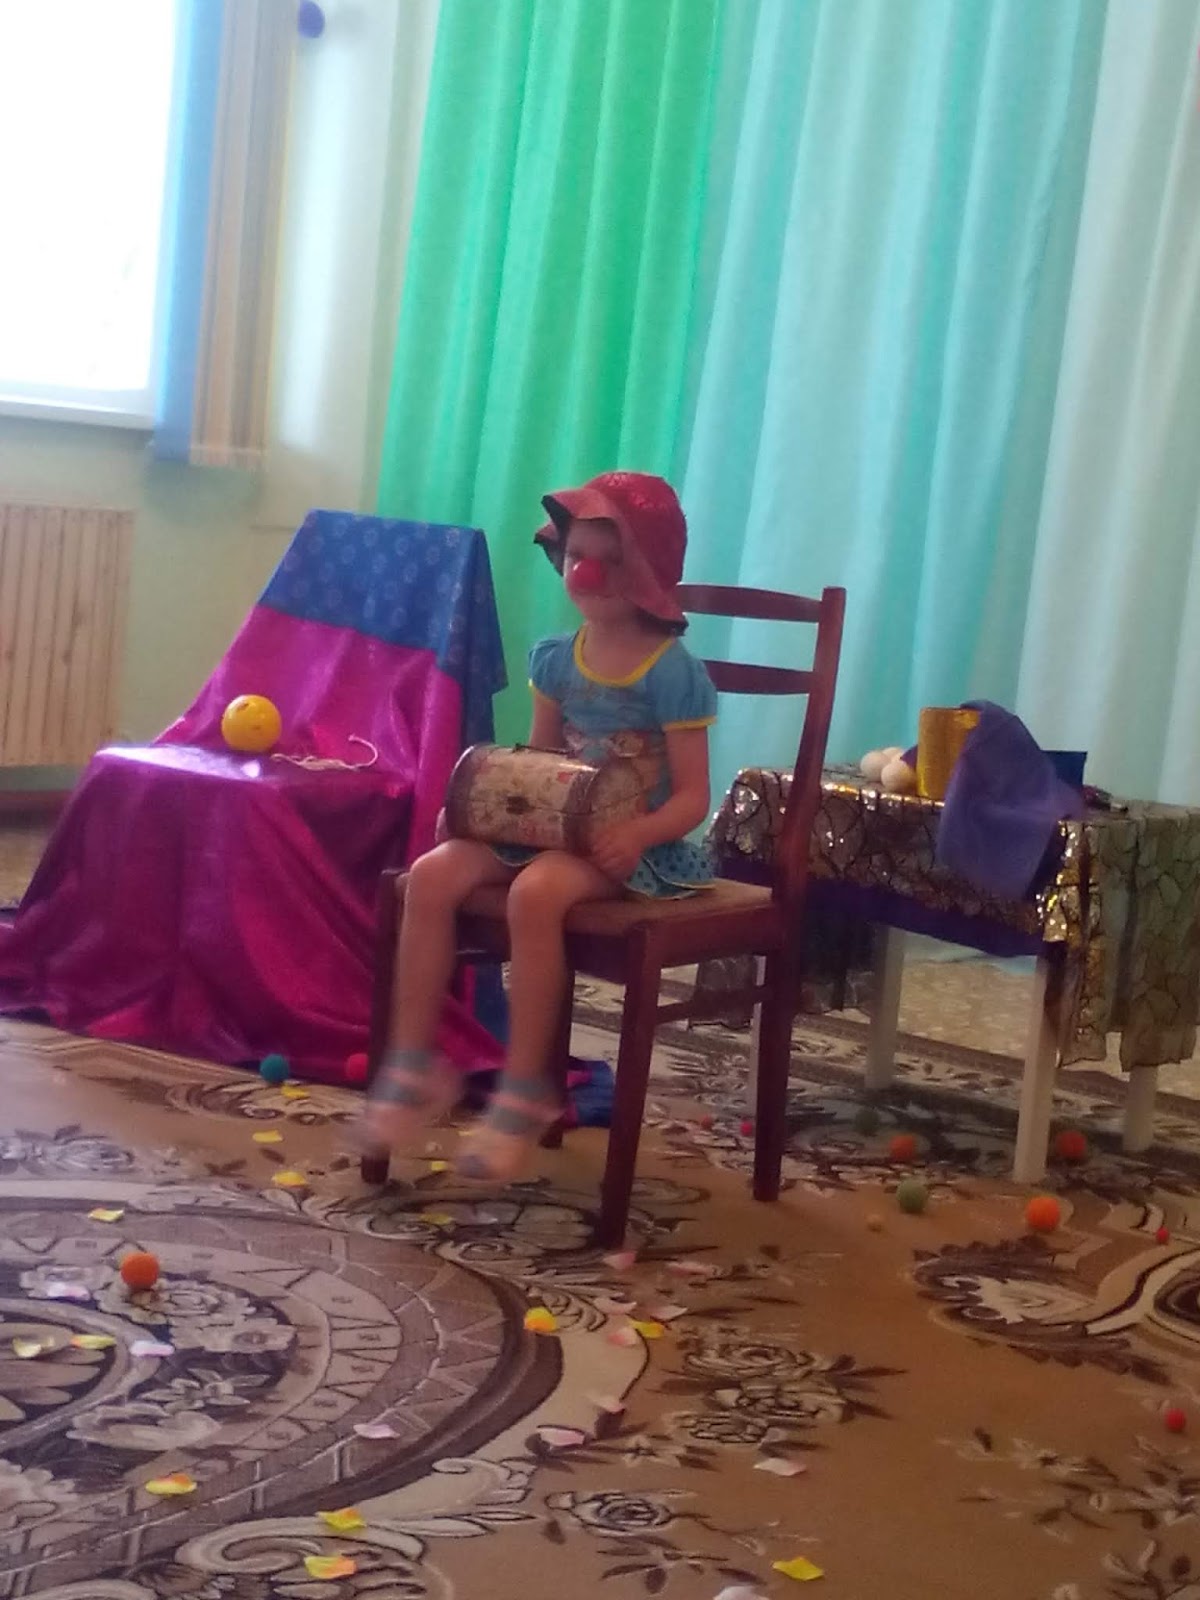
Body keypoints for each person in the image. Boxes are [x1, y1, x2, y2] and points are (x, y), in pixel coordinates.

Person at [364, 471, 717, 1181]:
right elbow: (540, 765)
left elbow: (693, 799)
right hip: (550, 827)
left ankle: (525, 1090)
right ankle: (412, 1065)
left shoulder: (672, 673)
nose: (586, 573)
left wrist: (637, 835)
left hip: (629, 848)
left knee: (537, 893)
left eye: (609, 559)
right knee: (430, 876)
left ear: (647, 570)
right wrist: (483, 808)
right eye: (576, 554)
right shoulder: (556, 660)